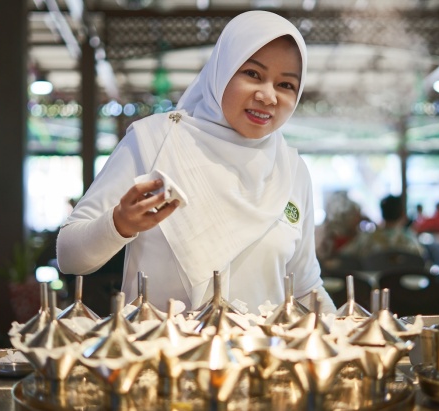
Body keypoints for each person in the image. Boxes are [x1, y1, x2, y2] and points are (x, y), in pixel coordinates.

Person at [56, 11, 336, 313]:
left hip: (263, 356)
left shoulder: (291, 170)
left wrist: (354, 334)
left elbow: (305, 285)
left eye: (286, 85)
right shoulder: (156, 141)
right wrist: (119, 223)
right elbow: (69, 256)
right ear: (221, 70)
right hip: (160, 354)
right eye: (253, 74)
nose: (268, 96)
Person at [358, 195, 425, 258]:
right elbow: (422, 261)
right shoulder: (409, 240)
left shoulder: (367, 240)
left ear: (382, 213)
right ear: (402, 214)